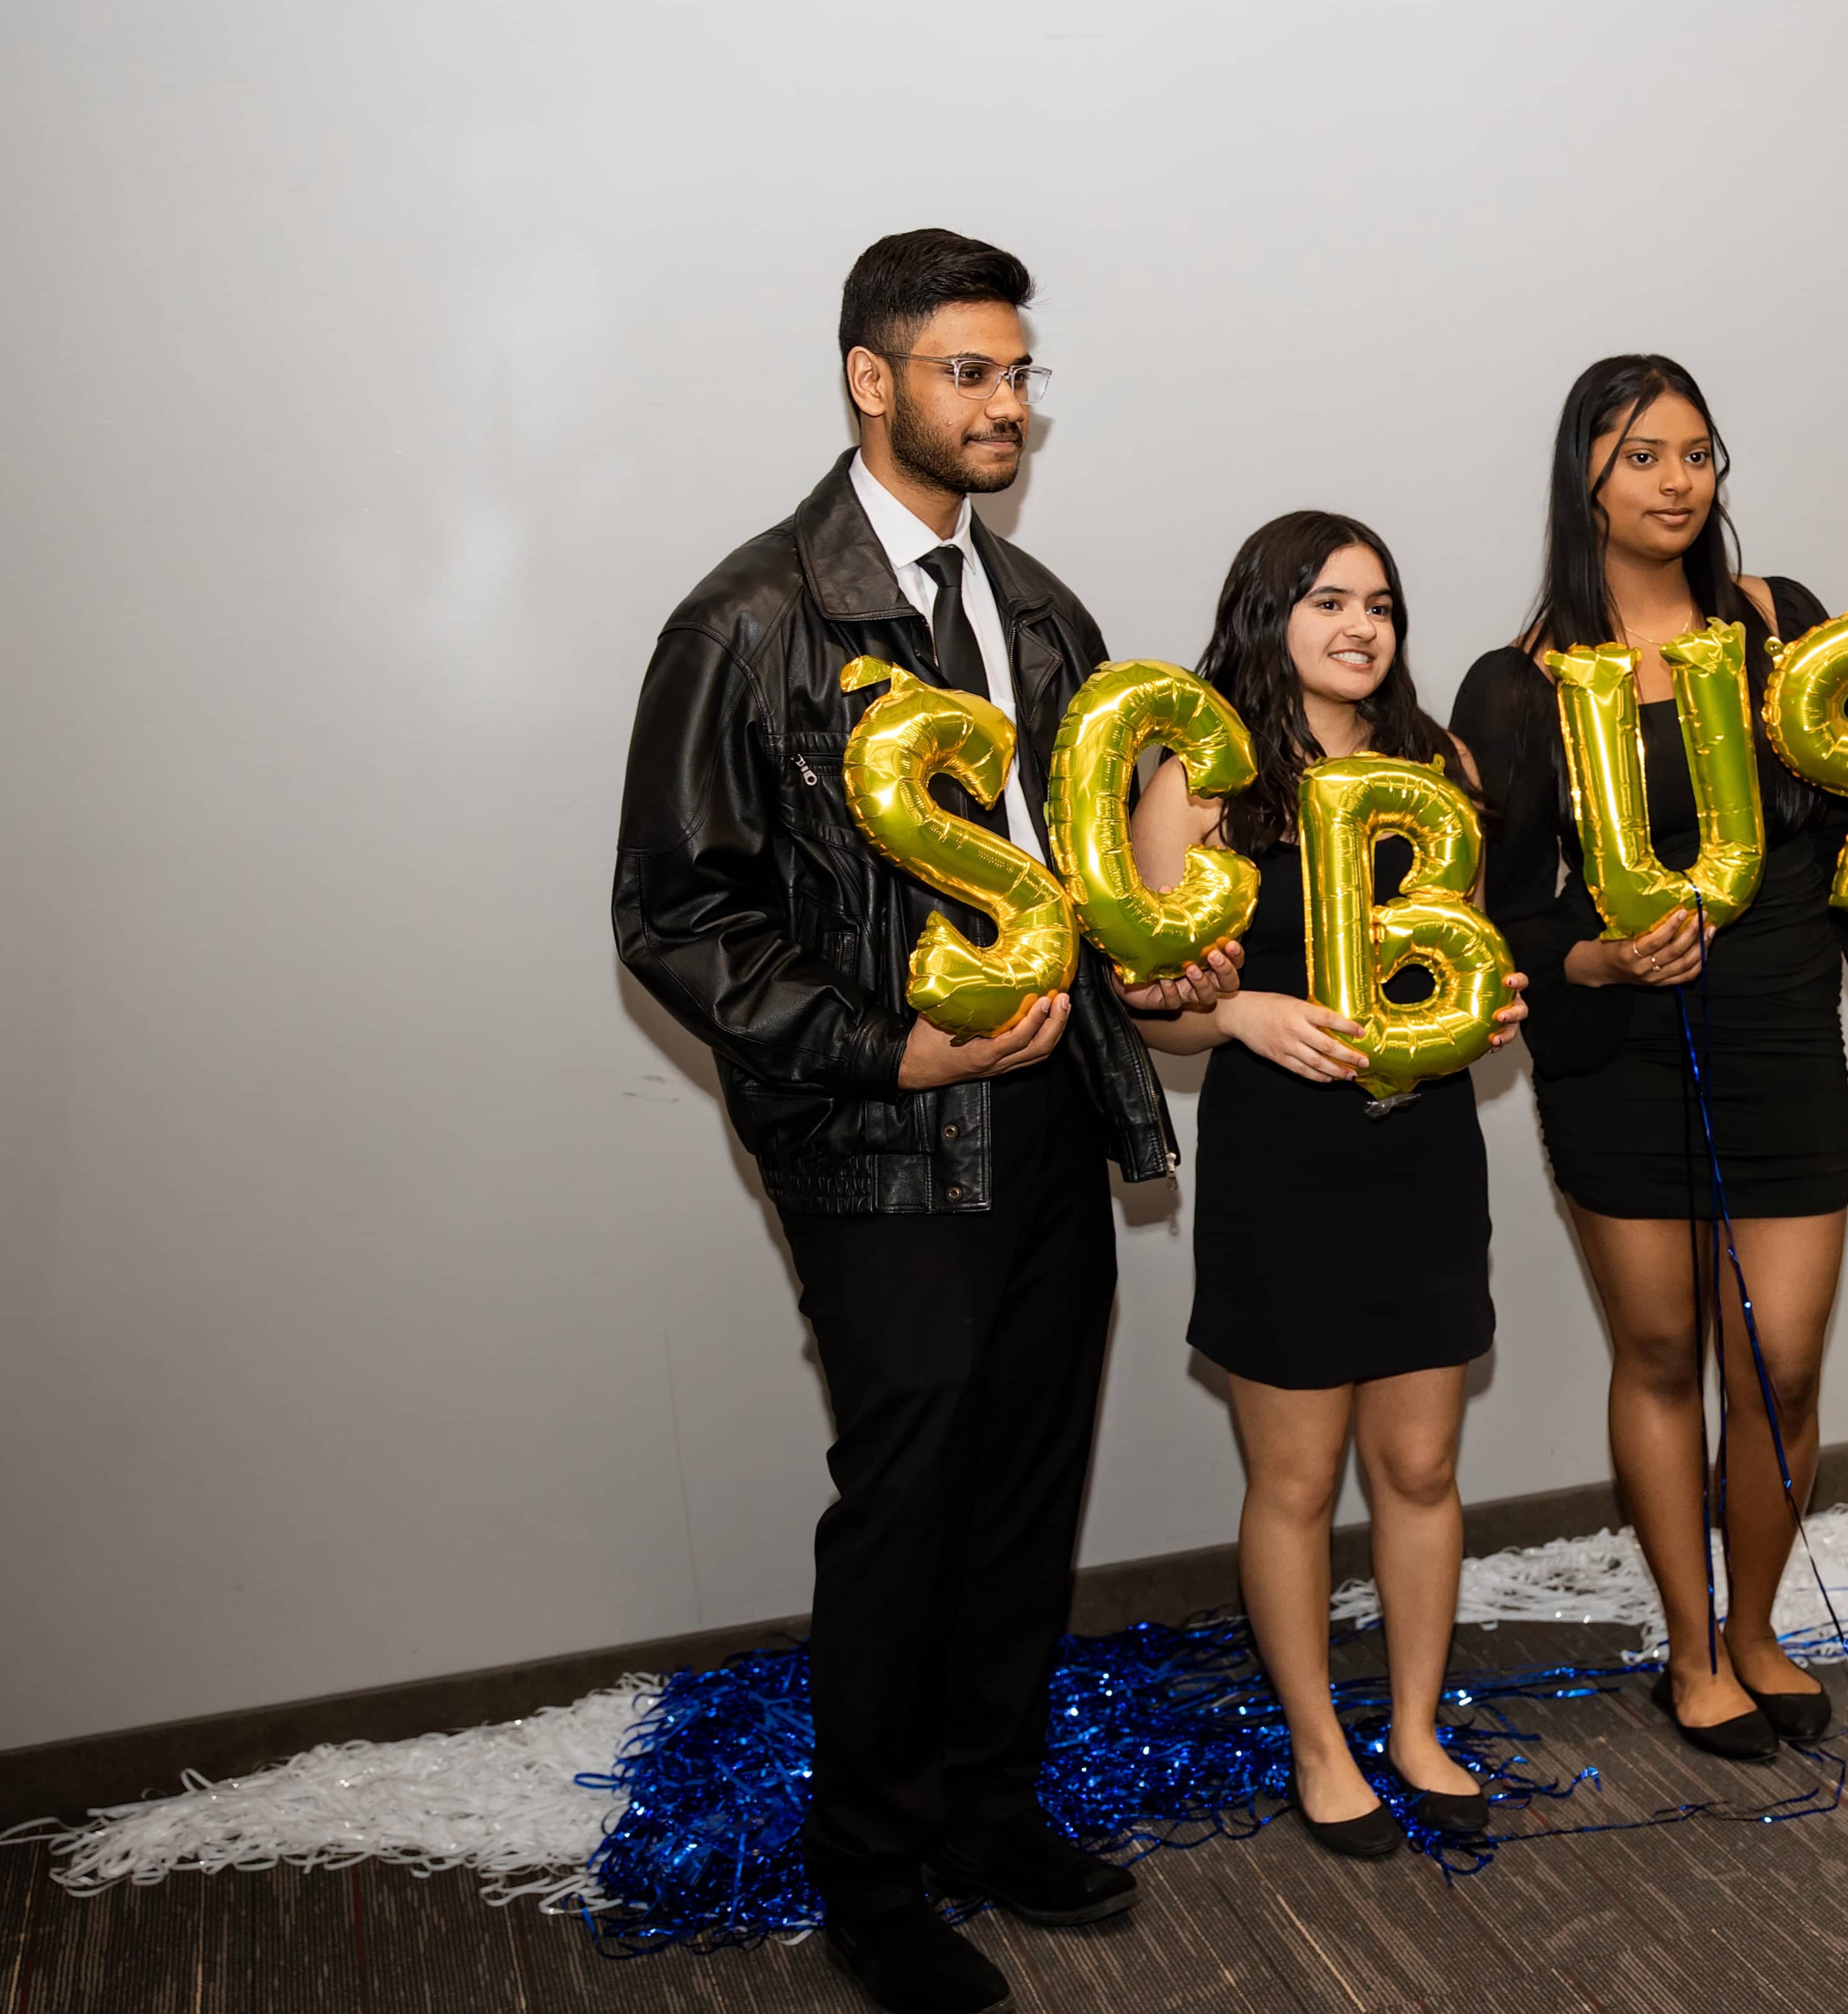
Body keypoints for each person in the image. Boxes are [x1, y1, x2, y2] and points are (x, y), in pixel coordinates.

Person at [614, 229, 1240, 2014]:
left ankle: (987, 1813)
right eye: (970, 371)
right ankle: (871, 1879)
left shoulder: (1043, 617)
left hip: (1050, 1117)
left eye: (1021, 373)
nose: (1008, 407)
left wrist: (1168, 953)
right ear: (868, 378)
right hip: (882, 1139)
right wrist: (892, 1052)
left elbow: (1099, 869)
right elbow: (676, 912)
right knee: (907, 1502)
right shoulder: (747, 620)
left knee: (1025, 1486)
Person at [1451, 355, 1848, 1759]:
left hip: (1777, 1032)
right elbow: (1505, 920)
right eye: (1645, 455)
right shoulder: (1516, 688)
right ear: (1588, 474)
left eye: (1699, 453)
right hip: (1623, 1047)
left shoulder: (1780, 627)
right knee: (1660, 1352)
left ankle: (1758, 1629)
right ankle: (1691, 1653)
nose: (1679, 480)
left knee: (1786, 1368)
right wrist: (1604, 957)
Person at [1128, 513, 1528, 1860]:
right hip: (1280, 1165)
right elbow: (1148, 1007)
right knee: (1295, 1481)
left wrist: (1490, 1003)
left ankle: (1416, 1727)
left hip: (1422, 1153)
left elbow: (1468, 954)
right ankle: (1319, 1745)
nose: (1362, 627)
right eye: (1328, 601)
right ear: (1268, 615)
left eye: (1383, 604)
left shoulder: (1442, 764)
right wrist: (1236, 1020)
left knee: (1420, 1463)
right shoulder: (1206, 777)